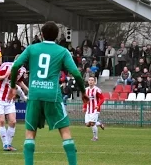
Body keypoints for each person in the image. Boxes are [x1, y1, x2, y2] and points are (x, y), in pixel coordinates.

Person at [7, 21, 89, 165]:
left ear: (42, 35)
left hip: (34, 95)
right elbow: (76, 73)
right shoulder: (62, 51)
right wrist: (83, 92)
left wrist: (13, 86)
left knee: (30, 134)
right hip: (53, 95)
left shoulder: (32, 48)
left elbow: (15, 67)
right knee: (65, 132)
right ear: (57, 36)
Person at [0, 61, 28, 151]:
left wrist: (28, 90)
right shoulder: (6, 66)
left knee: (13, 121)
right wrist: (4, 76)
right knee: (2, 121)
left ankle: (8, 144)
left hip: (9, 99)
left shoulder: (22, 70)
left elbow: (19, 82)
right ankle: (6, 144)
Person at [83, 76, 105, 141]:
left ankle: (95, 137)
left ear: (94, 82)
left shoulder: (97, 90)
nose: (90, 81)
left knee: (92, 123)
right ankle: (99, 123)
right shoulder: (86, 89)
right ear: (88, 82)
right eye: (89, 80)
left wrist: (98, 105)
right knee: (87, 124)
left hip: (95, 109)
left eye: (92, 80)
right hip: (88, 109)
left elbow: (102, 98)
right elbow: (85, 99)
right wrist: (84, 107)